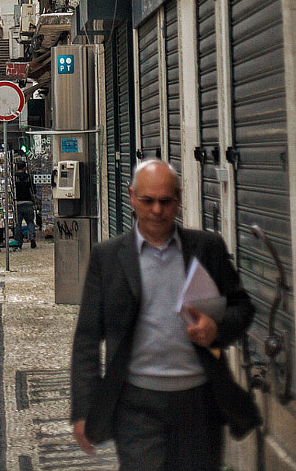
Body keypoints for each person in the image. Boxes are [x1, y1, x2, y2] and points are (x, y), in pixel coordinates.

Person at [70, 160, 258, 468]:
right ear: (131, 196)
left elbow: (243, 308)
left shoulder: (206, 248)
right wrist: (83, 408)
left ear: (179, 197)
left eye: (166, 201)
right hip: (136, 407)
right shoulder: (107, 258)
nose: (157, 210)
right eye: (148, 201)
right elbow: (87, 338)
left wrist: (216, 328)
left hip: (199, 403)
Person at [14, 162, 39, 249]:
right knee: (30, 221)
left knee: (18, 223)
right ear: (24, 167)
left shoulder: (14, 178)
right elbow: (33, 190)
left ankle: (18, 242)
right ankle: (32, 237)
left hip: (18, 202)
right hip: (28, 202)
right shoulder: (29, 177)